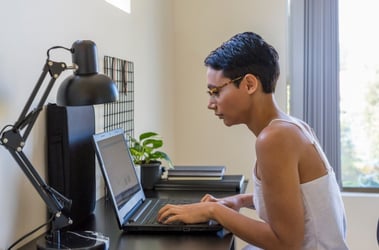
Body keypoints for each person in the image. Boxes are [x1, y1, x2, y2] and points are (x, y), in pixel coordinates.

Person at [157, 32, 348, 249]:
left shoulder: (274, 139)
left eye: (216, 92)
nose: (211, 103)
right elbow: (293, 199)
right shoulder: (293, 127)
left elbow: (286, 243)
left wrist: (214, 211)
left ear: (249, 84)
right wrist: (239, 201)